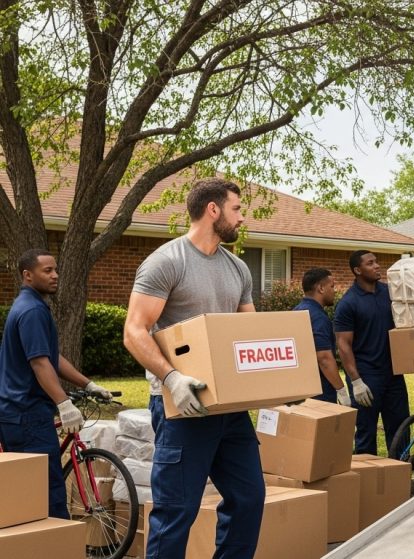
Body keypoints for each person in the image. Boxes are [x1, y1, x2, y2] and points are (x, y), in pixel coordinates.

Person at [123, 177, 265, 558]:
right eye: (236, 209)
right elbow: (134, 331)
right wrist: (173, 378)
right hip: (181, 406)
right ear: (213, 209)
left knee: (249, 498)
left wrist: (273, 381)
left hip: (229, 408)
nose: (241, 217)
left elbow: (247, 333)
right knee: (176, 513)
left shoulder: (238, 269)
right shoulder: (167, 261)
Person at [0, 249, 112, 519]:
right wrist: (64, 403)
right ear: (28, 275)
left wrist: (88, 384)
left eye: (56, 269)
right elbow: (40, 363)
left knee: (29, 490)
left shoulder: (33, 306)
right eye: (47, 271)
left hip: (18, 411)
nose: (55, 276)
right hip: (26, 413)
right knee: (46, 492)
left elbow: (53, 357)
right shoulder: (31, 311)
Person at [334, 250, 409, 456]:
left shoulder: (389, 293)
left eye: (376, 262)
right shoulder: (348, 304)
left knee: (401, 431)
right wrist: (356, 381)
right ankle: (368, 484)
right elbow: (343, 344)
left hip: (394, 374)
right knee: (366, 435)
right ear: (357, 270)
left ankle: (401, 479)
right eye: (370, 263)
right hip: (367, 377)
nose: (377, 266)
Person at [293, 268, 350, 406]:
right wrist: (341, 390)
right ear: (321, 288)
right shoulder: (318, 317)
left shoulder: (296, 312)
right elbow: (324, 358)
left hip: (300, 390)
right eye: (332, 286)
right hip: (319, 394)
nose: (334, 291)